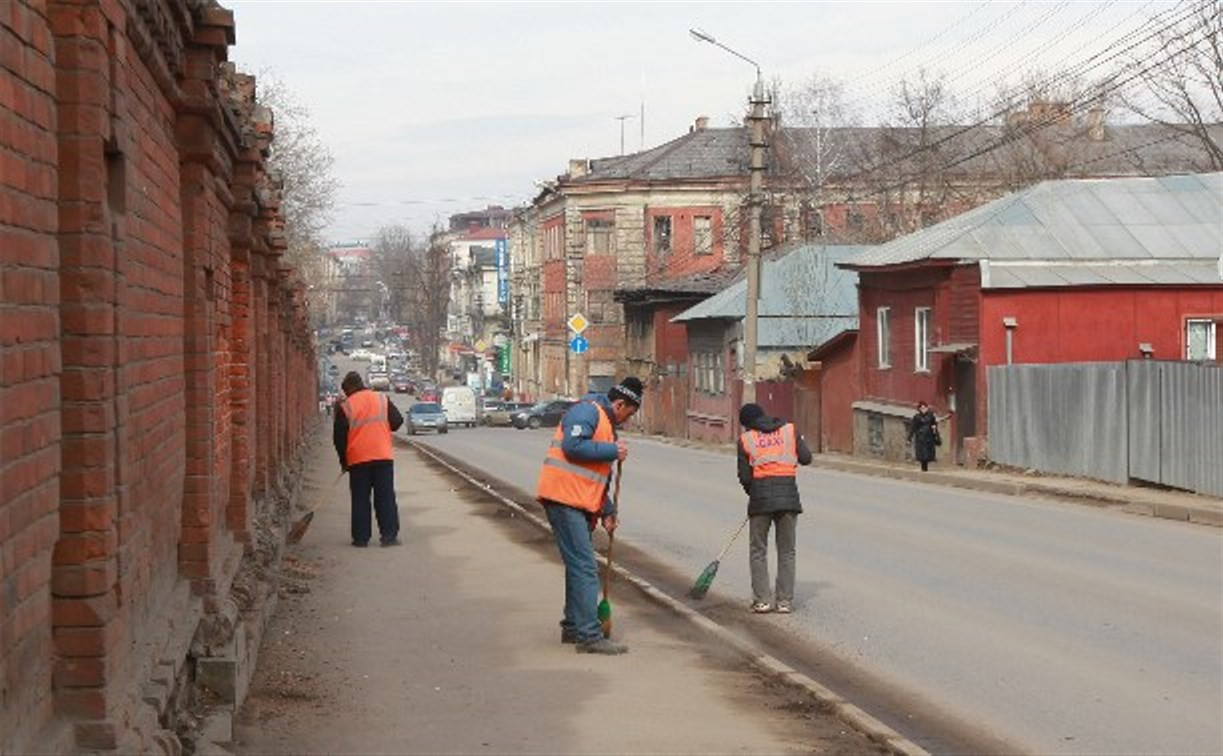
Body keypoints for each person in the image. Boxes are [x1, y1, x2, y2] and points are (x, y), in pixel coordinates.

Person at [536, 376, 643, 655]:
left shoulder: (605, 424)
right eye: (628, 413)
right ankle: (589, 636)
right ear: (620, 403)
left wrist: (607, 510)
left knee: (577, 566)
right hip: (563, 498)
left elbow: (592, 477)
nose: (627, 420)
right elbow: (573, 447)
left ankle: (573, 626)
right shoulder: (587, 411)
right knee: (585, 567)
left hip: (576, 500)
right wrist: (612, 450)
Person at [737, 403, 812, 615]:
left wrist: (755, 492)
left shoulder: (746, 439)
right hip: (788, 499)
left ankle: (762, 601)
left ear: (747, 424)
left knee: (758, 550)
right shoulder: (789, 430)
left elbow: (744, 477)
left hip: (760, 499)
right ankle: (784, 602)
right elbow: (806, 458)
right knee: (787, 551)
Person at [333, 371, 404, 547]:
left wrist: (344, 461)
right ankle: (389, 537)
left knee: (360, 499)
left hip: (358, 460)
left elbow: (339, 438)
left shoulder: (346, 406)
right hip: (382, 456)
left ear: (349, 388)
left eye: (346, 391)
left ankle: (361, 539)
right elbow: (397, 421)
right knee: (385, 497)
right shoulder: (381, 398)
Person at [907, 401, 939, 472]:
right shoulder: (917, 417)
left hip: (929, 437)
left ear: (927, 408)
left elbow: (934, 425)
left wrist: (935, 433)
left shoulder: (931, 415)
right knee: (922, 454)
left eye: (924, 408)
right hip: (920, 438)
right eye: (921, 408)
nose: (923, 409)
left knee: (928, 453)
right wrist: (909, 438)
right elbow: (913, 428)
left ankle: (926, 467)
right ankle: (924, 469)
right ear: (919, 409)